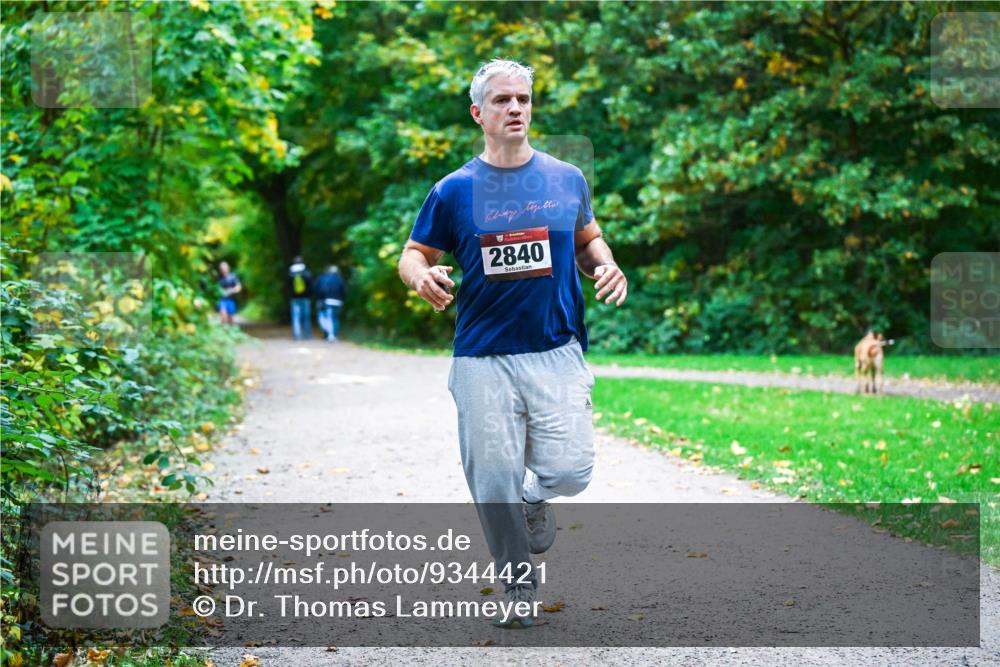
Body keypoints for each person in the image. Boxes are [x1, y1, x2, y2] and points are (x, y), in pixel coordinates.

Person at [397, 58, 628, 628]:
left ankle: (535, 494)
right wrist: (420, 276)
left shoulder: (566, 178)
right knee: (492, 479)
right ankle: (517, 586)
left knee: (572, 471)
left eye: (523, 98)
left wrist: (606, 264)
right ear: (479, 113)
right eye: (502, 100)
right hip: (481, 356)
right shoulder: (453, 190)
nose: (515, 108)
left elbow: (588, 239)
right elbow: (414, 253)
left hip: (556, 349)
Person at [313, 265, 346, 341]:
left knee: (328, 318)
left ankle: (329, 334)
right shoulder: (340, 279)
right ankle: (334, 334)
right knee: (335, 318)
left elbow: (319, 290)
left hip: (328, 301)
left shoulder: (324, 278)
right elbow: (344, 291)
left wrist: (321, 299)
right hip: (338, 302)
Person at [287, 256, 313, 340]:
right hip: (306, 298)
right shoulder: (306, 272)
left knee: (296, 317)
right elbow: (310, 285)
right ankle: (307, 335)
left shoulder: (291, 273)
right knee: (306, 316)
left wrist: (290, 296)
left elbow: (288, 287)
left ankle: (297, 335)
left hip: (294, 298)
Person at [216, 261, 241, 325]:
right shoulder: (218, 278)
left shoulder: (233, 277)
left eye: (225, 267)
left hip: (231, 299)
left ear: (228, 268)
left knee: (231, 320)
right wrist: (221, 292)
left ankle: (231, 329)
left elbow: (239, 287)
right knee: (223, 315)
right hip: (222, 300)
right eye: (222, 268)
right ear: (220, 270)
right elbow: (215, 289)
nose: (223, 269)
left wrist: (231, 290)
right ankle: (224, 329)